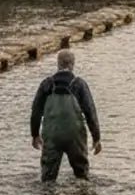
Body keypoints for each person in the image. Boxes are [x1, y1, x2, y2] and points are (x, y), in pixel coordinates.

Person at [30, 50, 102, 183]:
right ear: (72, 65)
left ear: (58, 64)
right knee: (82, 177)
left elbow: (36, 111)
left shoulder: (47, 84)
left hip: (52, 135)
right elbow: (90, 112)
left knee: (48, 179)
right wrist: (96, 138)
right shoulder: (79, 84)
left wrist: (35, 134)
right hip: (75, 136)